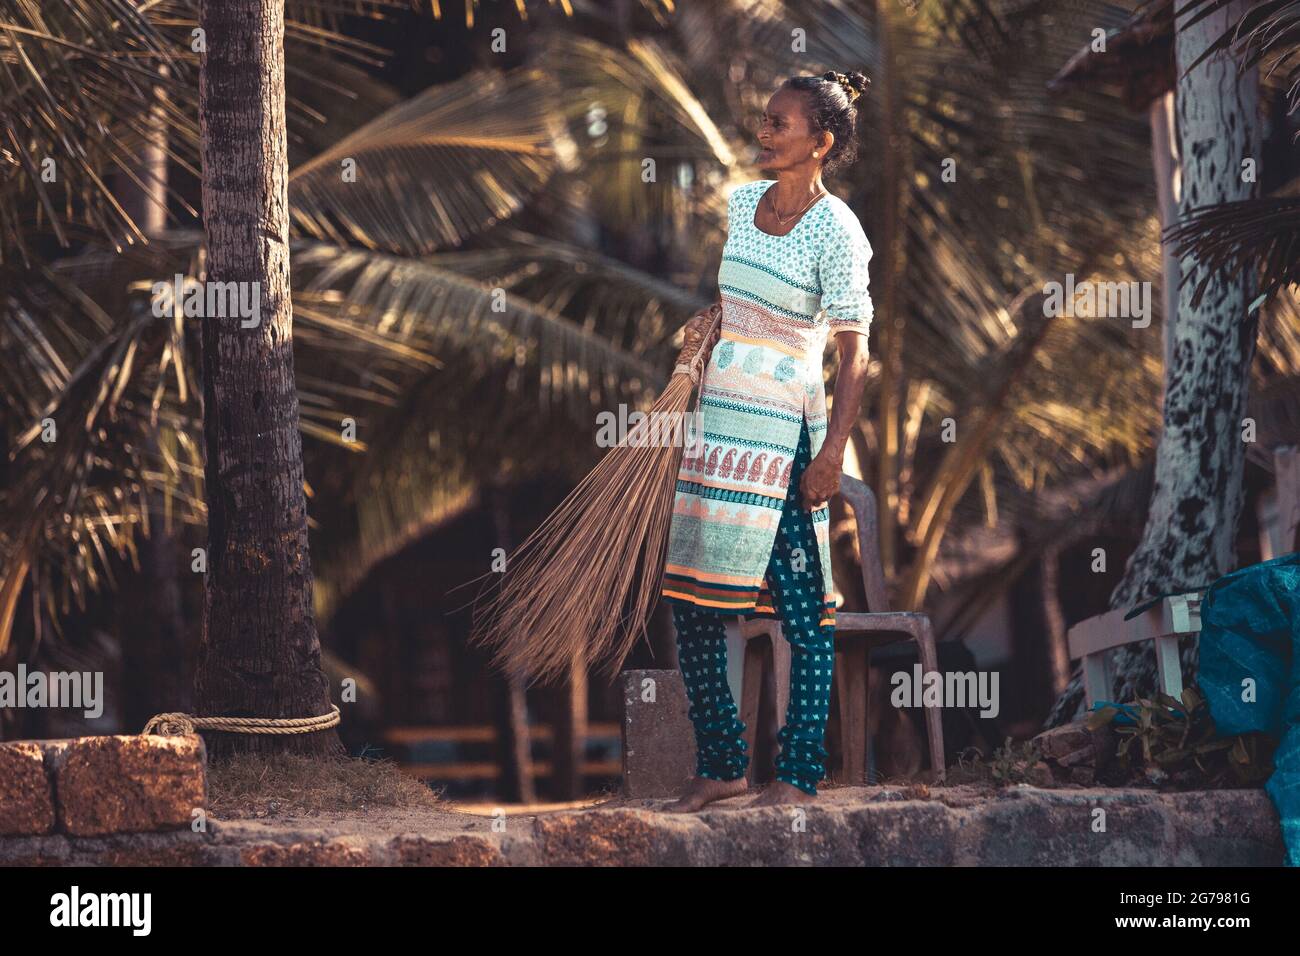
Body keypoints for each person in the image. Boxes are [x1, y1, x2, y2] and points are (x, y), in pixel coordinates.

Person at [661, 70, 875, 810]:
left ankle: (799, 775)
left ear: (820, 143)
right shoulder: (742, 204)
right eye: (764, 119)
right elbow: (739, 303)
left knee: (798, 607)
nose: (765, 132)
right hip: (719, 428)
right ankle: (722, 766)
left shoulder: (838, 229)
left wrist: (829, 456)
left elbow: (854, 352)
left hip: (785, 436)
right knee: (690, 600)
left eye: (780, 124)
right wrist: (705, 323)